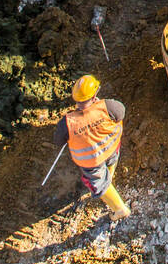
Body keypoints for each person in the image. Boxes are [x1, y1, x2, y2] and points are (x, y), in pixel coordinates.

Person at [54, 75, 129, 219]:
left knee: (99, 183)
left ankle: (120, 209)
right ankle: (110, 175)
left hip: (92, 161)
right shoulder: (107, 106)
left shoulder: (68, 123)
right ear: (95, 94)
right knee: (110, 163)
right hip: (112, 149)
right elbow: (121, 112)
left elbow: (58, 140)